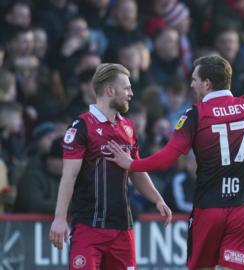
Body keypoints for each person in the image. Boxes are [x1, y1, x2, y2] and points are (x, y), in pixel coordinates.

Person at [105, 55, 244, 269]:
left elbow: (167, 157)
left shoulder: (196, 114)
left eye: (194, 79)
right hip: (243, 209)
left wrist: (132, 164)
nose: (192, 84)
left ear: (207, 83)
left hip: (209, 208)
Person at [48, 63, 172, 270]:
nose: (131, 93)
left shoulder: (128, 127)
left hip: (123, 228)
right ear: (110, 90)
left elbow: (135, 170)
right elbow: (69, 175)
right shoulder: (81, 127)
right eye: (127, 88)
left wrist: (158, 199)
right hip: (88, 227)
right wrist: (60, 218)